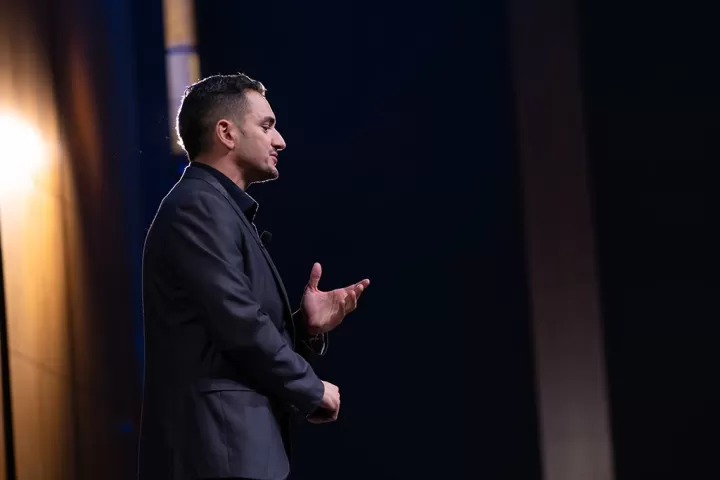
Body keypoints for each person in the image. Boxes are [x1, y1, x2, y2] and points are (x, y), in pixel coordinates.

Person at [137, 73, 370, 480]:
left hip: (231, 450)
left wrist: (305, 328)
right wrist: (312, 388)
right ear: (226, 132)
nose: (280, 140)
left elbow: (227, 329)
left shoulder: (217, 208)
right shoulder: (198, 207)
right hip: (217, 453)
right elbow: (239, 324)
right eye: (266, 126)